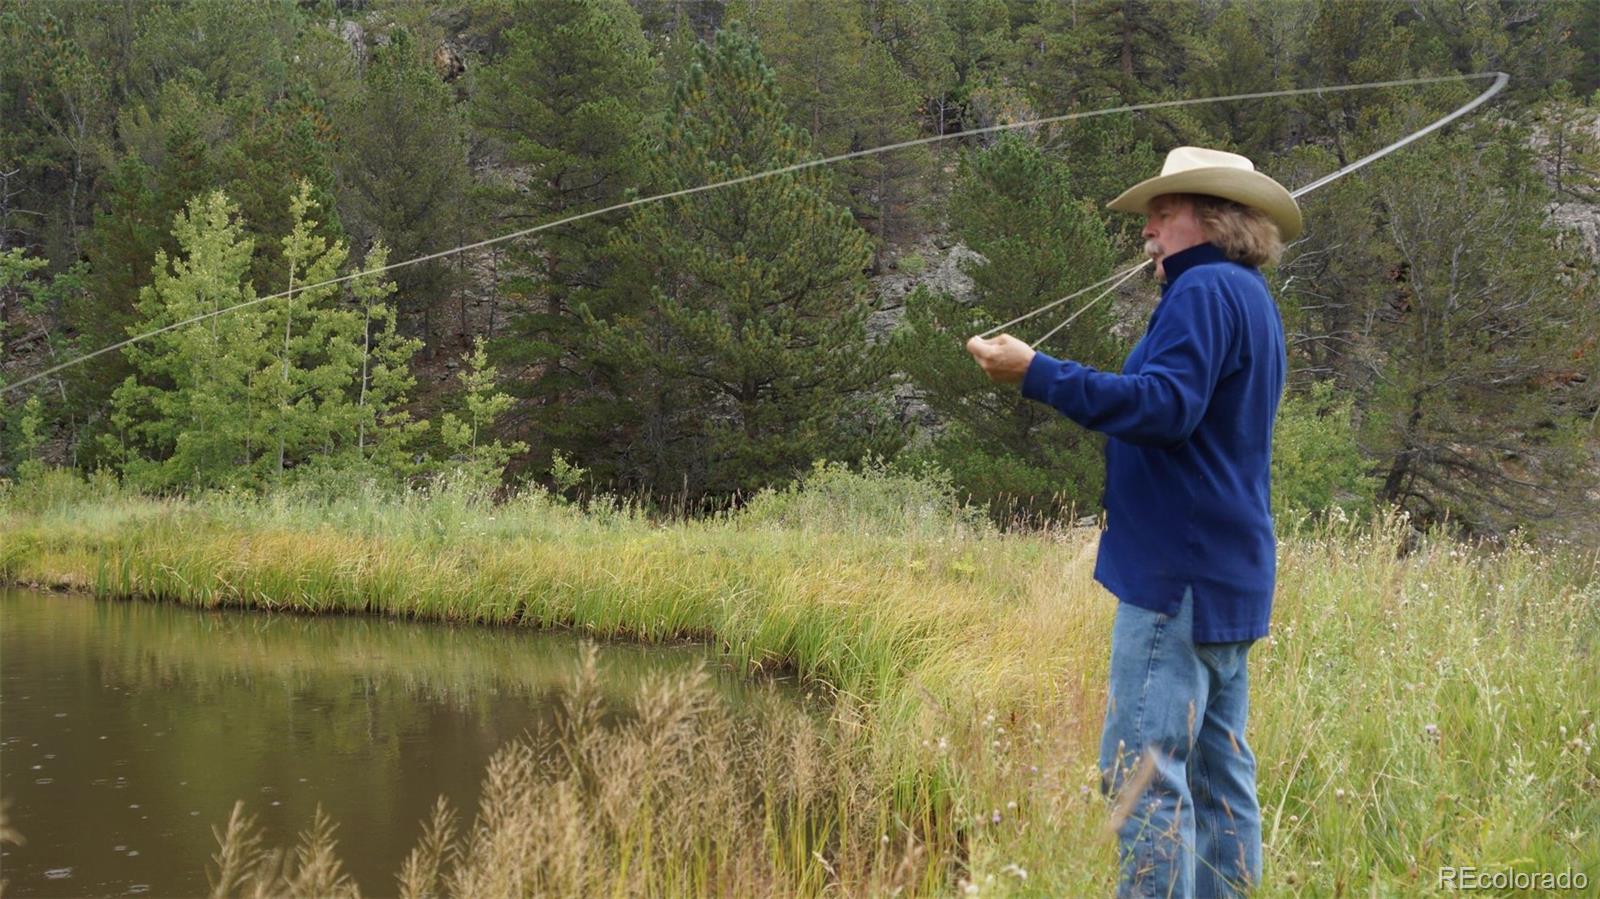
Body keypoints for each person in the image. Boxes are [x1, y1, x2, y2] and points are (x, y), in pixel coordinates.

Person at [965, 146, 1301, 898]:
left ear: (1211, 218)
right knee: (1219, 778)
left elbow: (1163, 408)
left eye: (1162, 211)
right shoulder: (1247, 294)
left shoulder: (1204, 290)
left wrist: (1036, 373)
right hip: (1228, 575)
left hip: (1175, 578)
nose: (1146, 229)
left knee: (1141, 773)